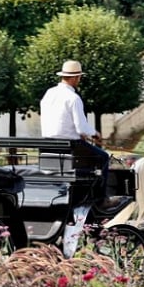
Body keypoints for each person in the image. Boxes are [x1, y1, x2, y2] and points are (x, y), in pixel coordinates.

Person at [40, 60, 112, 195]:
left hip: (48, 144)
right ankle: (101, 198)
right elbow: (81, 128)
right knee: (103, 157)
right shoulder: (73, 98)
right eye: (79, 77)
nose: (79, 80)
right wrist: (95, 133)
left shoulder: (49, 93)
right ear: (74, 78)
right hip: (70, 146)